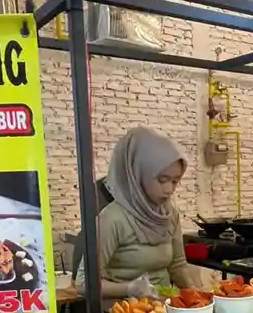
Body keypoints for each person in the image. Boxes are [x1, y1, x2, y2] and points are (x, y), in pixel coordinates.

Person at [76, 126, 196, 301]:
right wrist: (130, 288)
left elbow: (177, 266)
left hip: (164, 310)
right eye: (162, 180)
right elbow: (83, 284)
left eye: (175, 181)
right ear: (138, 175)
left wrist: (197, 296)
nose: (169, 189)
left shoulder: (169, 215)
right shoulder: (112, 219)